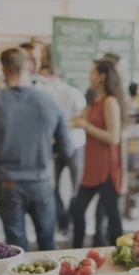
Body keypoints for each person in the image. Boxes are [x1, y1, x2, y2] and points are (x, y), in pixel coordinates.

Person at [0, 48, 74, 251]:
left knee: (15, 247)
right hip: (41, 182)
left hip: (8, 184)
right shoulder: (50, 102)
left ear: (4, 71)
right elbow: (67, 149)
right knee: (47, 243)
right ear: (29, 67)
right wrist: (46, 148)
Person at [70, 59, 126, 248]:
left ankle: (119, 255)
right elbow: (79, 119)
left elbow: (113, 137)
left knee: (112, 216)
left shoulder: (110, 102)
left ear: (102, 76)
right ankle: (76, 252)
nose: (89, 76)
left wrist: (85, 125)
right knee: (78, 211)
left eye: (92, 73)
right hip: (92, 167)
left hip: (107, 168)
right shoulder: (94, 101)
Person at [38, 63, 87, 233]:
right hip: (55, 145)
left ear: (53, 75)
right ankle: (63, 219)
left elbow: (83, 117)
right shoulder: (45, 94)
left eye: (44, 77)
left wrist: (64, 124)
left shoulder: (73, 92)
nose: (41, 81)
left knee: (77, 186)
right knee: (53, 185)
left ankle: (74, 219)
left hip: (76, 144)